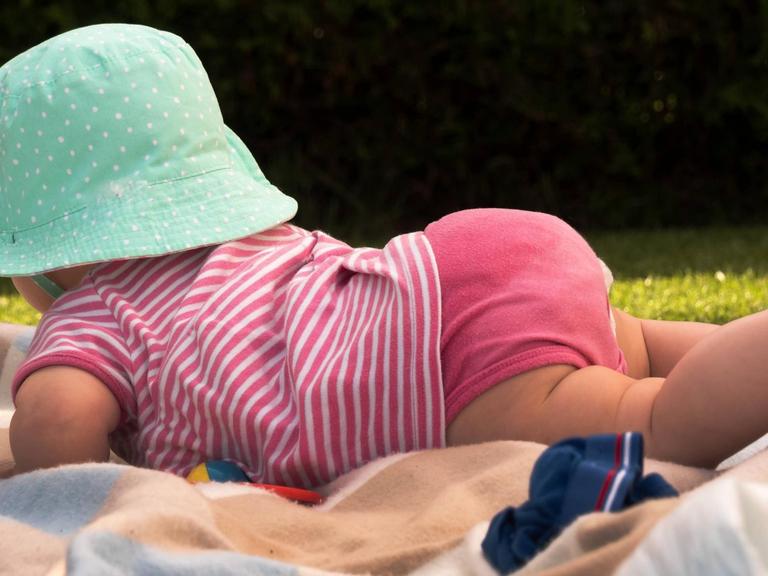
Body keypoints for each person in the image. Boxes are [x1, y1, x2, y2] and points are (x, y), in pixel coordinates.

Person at [1, 24, 764, 488]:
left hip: (437, 359)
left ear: (45, 260)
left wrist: (35, 465)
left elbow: (58, 421)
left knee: (653, 423)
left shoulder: (91, 314)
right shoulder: (247, 249)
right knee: (643, 347)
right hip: (461, 265)